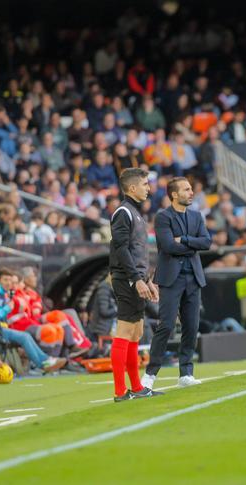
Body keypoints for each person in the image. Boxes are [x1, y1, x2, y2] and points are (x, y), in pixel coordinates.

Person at [143, 177, 212, 391]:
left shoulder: (196, 215)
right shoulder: (162, 217)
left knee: (191, 326)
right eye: (187, 189)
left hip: (194, 278)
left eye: (191, 188)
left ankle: (186, 373)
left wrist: (184, 240)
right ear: (174, 194)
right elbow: (167, 246)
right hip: (171, 279)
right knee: (166, 325)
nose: (191, 192)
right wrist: (192, 243)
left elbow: (207, 242)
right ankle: (150, 373)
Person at [108, 167, 160, 402]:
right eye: (145, 184)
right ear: (132, 187)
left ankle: (137, 387)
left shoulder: (135, 213)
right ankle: (120, 391)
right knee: (126, 331)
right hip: (126, 279)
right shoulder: (123, 212)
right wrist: (136, 279)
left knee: (136, 331)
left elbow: (137, 252)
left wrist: (147, 280)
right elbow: (121, 248)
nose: (148, 188)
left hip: (136, 279)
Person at [0, 267, 67, 373]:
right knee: (24, 336)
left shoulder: (3, 295)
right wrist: (7, 308)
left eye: (10, 280)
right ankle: (43, 363)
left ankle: (46, 361)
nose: (8, 283)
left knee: (26, 336)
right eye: (5, 280)